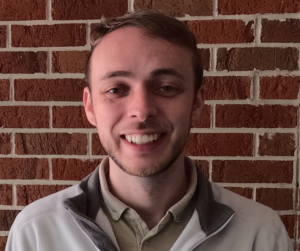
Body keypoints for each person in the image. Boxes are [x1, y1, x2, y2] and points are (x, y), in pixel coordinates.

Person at [6, 11, 292, 251]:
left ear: (196, 102)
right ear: (90, 106)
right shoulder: (37, 233)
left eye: (166, 87)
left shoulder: (261, 235)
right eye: (116, 89)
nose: (142, 111)